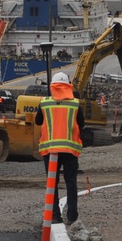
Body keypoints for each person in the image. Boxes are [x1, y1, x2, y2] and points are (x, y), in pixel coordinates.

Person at [35, 71, 85, 225]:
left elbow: (38, 122)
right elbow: (81, 124)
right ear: (68, 87)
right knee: (71, 182)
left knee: (52, 183)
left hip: (50, 150)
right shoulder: (75, 104)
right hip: (70, 150)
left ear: (52, 87)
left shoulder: (44, 103)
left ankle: (55, 216)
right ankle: (72, 217)